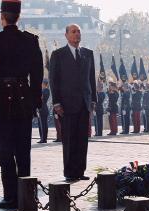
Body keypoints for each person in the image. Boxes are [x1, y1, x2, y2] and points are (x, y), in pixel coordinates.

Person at [0, 0, 43, 209]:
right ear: (18, 17)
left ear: (2, 17)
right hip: (24, 100)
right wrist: (36, 101)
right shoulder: (30, 40)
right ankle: (26, 195)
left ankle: (10, 196)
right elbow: (37, 74)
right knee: (23, 150)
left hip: (0, 101)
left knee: (5, 152)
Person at [49, 24, 97, 182]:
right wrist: (56, 102)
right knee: (69, 139)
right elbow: (53, 80)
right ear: (66, 35)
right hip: (66, 104)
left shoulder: (88, 54)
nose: (77, 34)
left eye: (79, 32)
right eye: (73, 32)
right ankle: (70, 171)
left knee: (82, 139)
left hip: (84, 103)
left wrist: (93, 100)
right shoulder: (58, 55)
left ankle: (80, 170)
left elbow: (91, 79)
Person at [37, 79, 50, 143]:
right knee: (40, 124)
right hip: (41, 109)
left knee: (43, 125)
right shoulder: (42, 90)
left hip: (43, 109)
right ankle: (42, 138)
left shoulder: (46, 90)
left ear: (44, 84)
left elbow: (42, 99)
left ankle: (44, 139)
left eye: (42, 83)